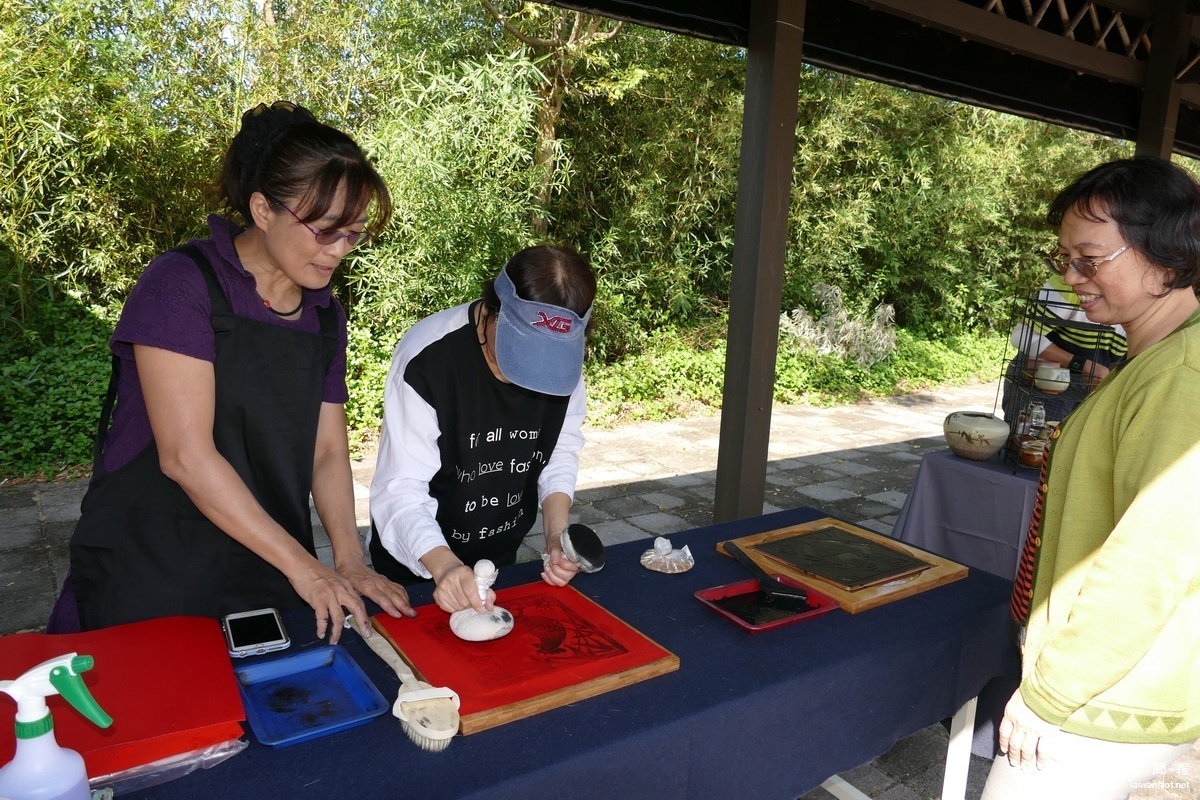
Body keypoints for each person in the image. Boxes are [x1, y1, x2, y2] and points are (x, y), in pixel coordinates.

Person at [62, 101, 413, 642]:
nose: (341, 250)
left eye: (355, 233)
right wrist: (304, 566)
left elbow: (326, 451)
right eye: (325, 231)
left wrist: (347, 560)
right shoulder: (183, 286)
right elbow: (186, 456)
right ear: (263, 209)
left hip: (267, 557)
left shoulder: (324, 314)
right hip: (155, 558)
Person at [983, 156, 1200, 799]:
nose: (1071, 277)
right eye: (1065, 260)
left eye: (1089, 260)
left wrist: (1049, 695)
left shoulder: (1179, 379)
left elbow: (1149, 563)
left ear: (1168, 254)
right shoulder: (1155, 358)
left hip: (1099, 703)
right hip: (1106, 688)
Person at [369, 246, 595, 614]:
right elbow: (400, 489)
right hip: (418, 565)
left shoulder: (560, 363)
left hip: (498, 559)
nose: (530, 377)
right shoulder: (429, 360)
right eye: (520, 352)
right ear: (491, 311)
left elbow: (559, 449)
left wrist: (556, 536)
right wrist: (444, 566)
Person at [1002, 272, 1127, 423]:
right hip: (1043, 379)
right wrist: (1084, 365)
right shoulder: (1070, 280)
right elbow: (1022, 335)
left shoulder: (1146, 300)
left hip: (1094, 386)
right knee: (1034, 443)